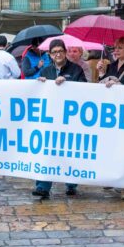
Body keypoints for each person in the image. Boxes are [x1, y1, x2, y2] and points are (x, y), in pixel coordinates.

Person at [33, 39, 87, 199]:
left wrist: (68, 82)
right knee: (47, 151)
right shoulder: (46, 71)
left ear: (65, 52)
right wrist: (40, 84)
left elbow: (84, 88)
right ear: (50, 54)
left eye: (60, 51)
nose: (57, 54)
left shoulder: (76, 69)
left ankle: (71, 184)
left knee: (69, 151)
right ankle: (42, 186)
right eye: (54, 52)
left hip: (70, 119)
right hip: (50, 118)